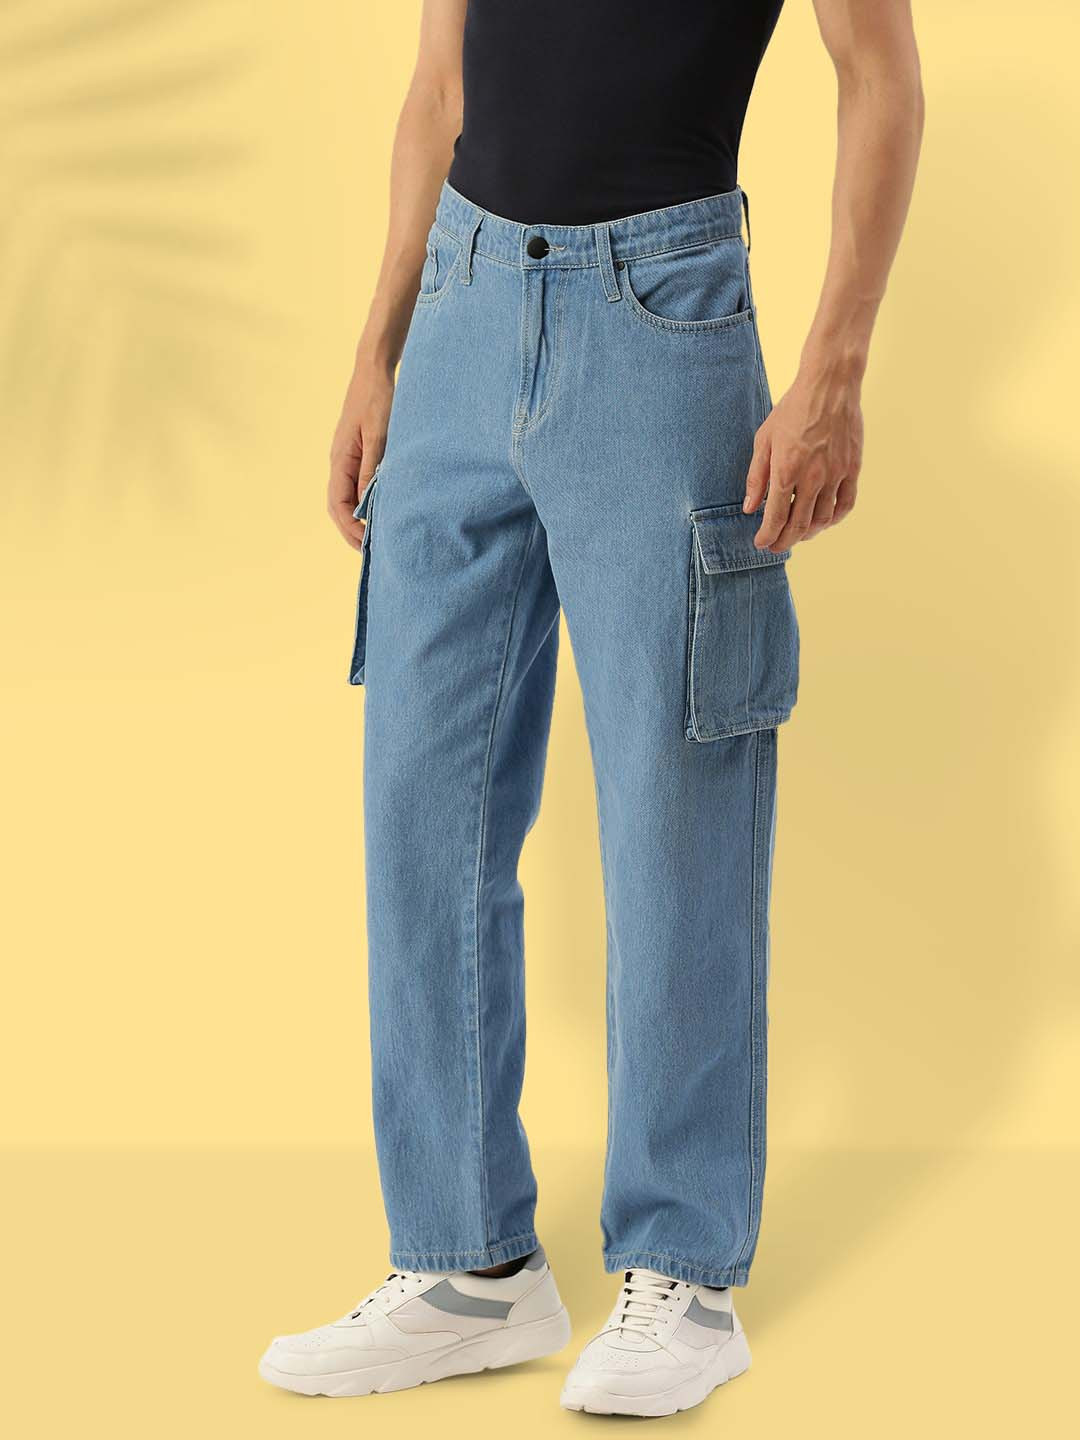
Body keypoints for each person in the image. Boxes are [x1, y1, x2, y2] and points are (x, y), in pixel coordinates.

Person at [259, 0, 922, 1417]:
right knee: (422, 811)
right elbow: (440, 89)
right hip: (461, 302)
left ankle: (682, 1270)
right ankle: (467, 1266)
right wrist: (379, 348)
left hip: (661, 316)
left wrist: (835, 369)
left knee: (676, 813)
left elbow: (880, 77)